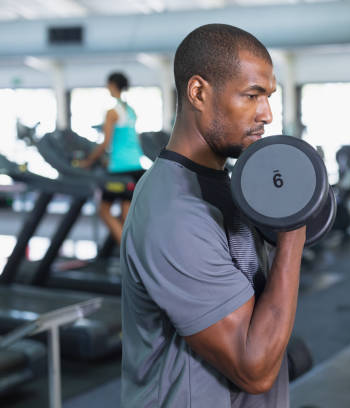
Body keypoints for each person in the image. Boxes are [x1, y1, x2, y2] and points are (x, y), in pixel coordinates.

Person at [120, 24, 306, 407]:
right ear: (199, 92)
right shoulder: (174, 213)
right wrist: (294, 232)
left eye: (268, 97)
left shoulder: (225, 182)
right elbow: (253, 369)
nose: (267, 114)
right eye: (252, 95)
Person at [77, 72, 144, 244]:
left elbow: (105, 143)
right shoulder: (131, 111)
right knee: (126, 212)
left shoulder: (112, 113)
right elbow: (132, 140)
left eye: (108, 84)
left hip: (120, 169)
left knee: (104, 210)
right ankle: (133, 252)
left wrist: (89, 161)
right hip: (136, 166)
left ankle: (126, 251)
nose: (107, 87)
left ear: (113, 85)